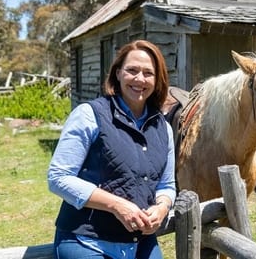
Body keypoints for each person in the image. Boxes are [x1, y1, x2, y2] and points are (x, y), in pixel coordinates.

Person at [48, 40, 176, 259]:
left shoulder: (162, 127)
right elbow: (58, 178)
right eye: (132, 70)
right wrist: (117, 205)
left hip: (140, 242)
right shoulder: (89, 115)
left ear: (157, 80)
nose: (139, 79)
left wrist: (162, 207)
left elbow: (166, 184)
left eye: (148, 73)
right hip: (87, 240)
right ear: (118, 73)